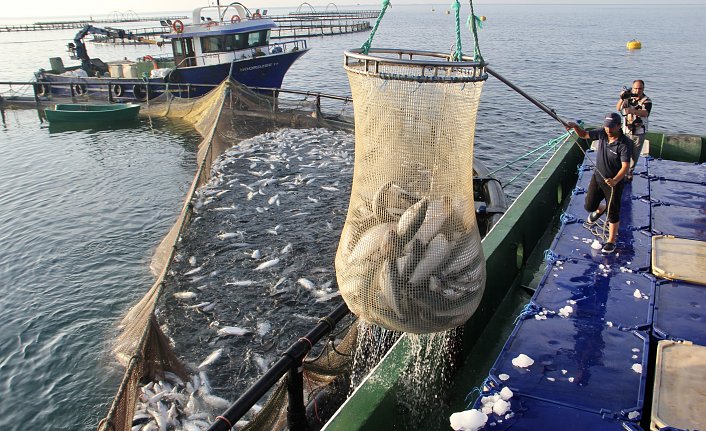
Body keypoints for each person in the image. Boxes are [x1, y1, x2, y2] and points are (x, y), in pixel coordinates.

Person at [566, 113, 632, 253]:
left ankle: (611, 240)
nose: (608, 130)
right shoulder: (602, 133)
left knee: (613, 212)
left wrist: (615, 180)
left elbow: (625, 166)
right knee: (589, 206)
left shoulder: (625, 144)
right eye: (606, 126)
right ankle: (600, 209)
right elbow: (584, 135)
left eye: (612, 127)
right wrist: (575, 127)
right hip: (598, 177)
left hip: (613, 183)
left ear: (619, 126)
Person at [616, 80, 652, 179]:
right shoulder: (628, 98)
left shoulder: (646, 100)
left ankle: (629, 172)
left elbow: (645, 113)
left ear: (643, 89)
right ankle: (621, 171)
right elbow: (618, 108)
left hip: (639, 132)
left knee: (634, 155)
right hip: (626, 131)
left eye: (640, 88)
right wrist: (621, 98)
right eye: (635, 88)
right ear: (632, 88)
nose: (637, 91)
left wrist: (631, 111)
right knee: (623, 152)